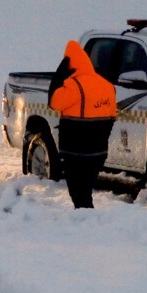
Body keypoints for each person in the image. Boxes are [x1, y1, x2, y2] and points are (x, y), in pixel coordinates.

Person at [48, 40, 117, 208]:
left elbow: (53, 102)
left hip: (76, 151)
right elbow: (111, 117)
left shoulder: (74, 86)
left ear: (68, 64)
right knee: (85, 189)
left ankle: (85, 221)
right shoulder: (107, 86)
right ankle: (87, 219)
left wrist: (58, 75)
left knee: (78, 191)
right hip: (98, 151)